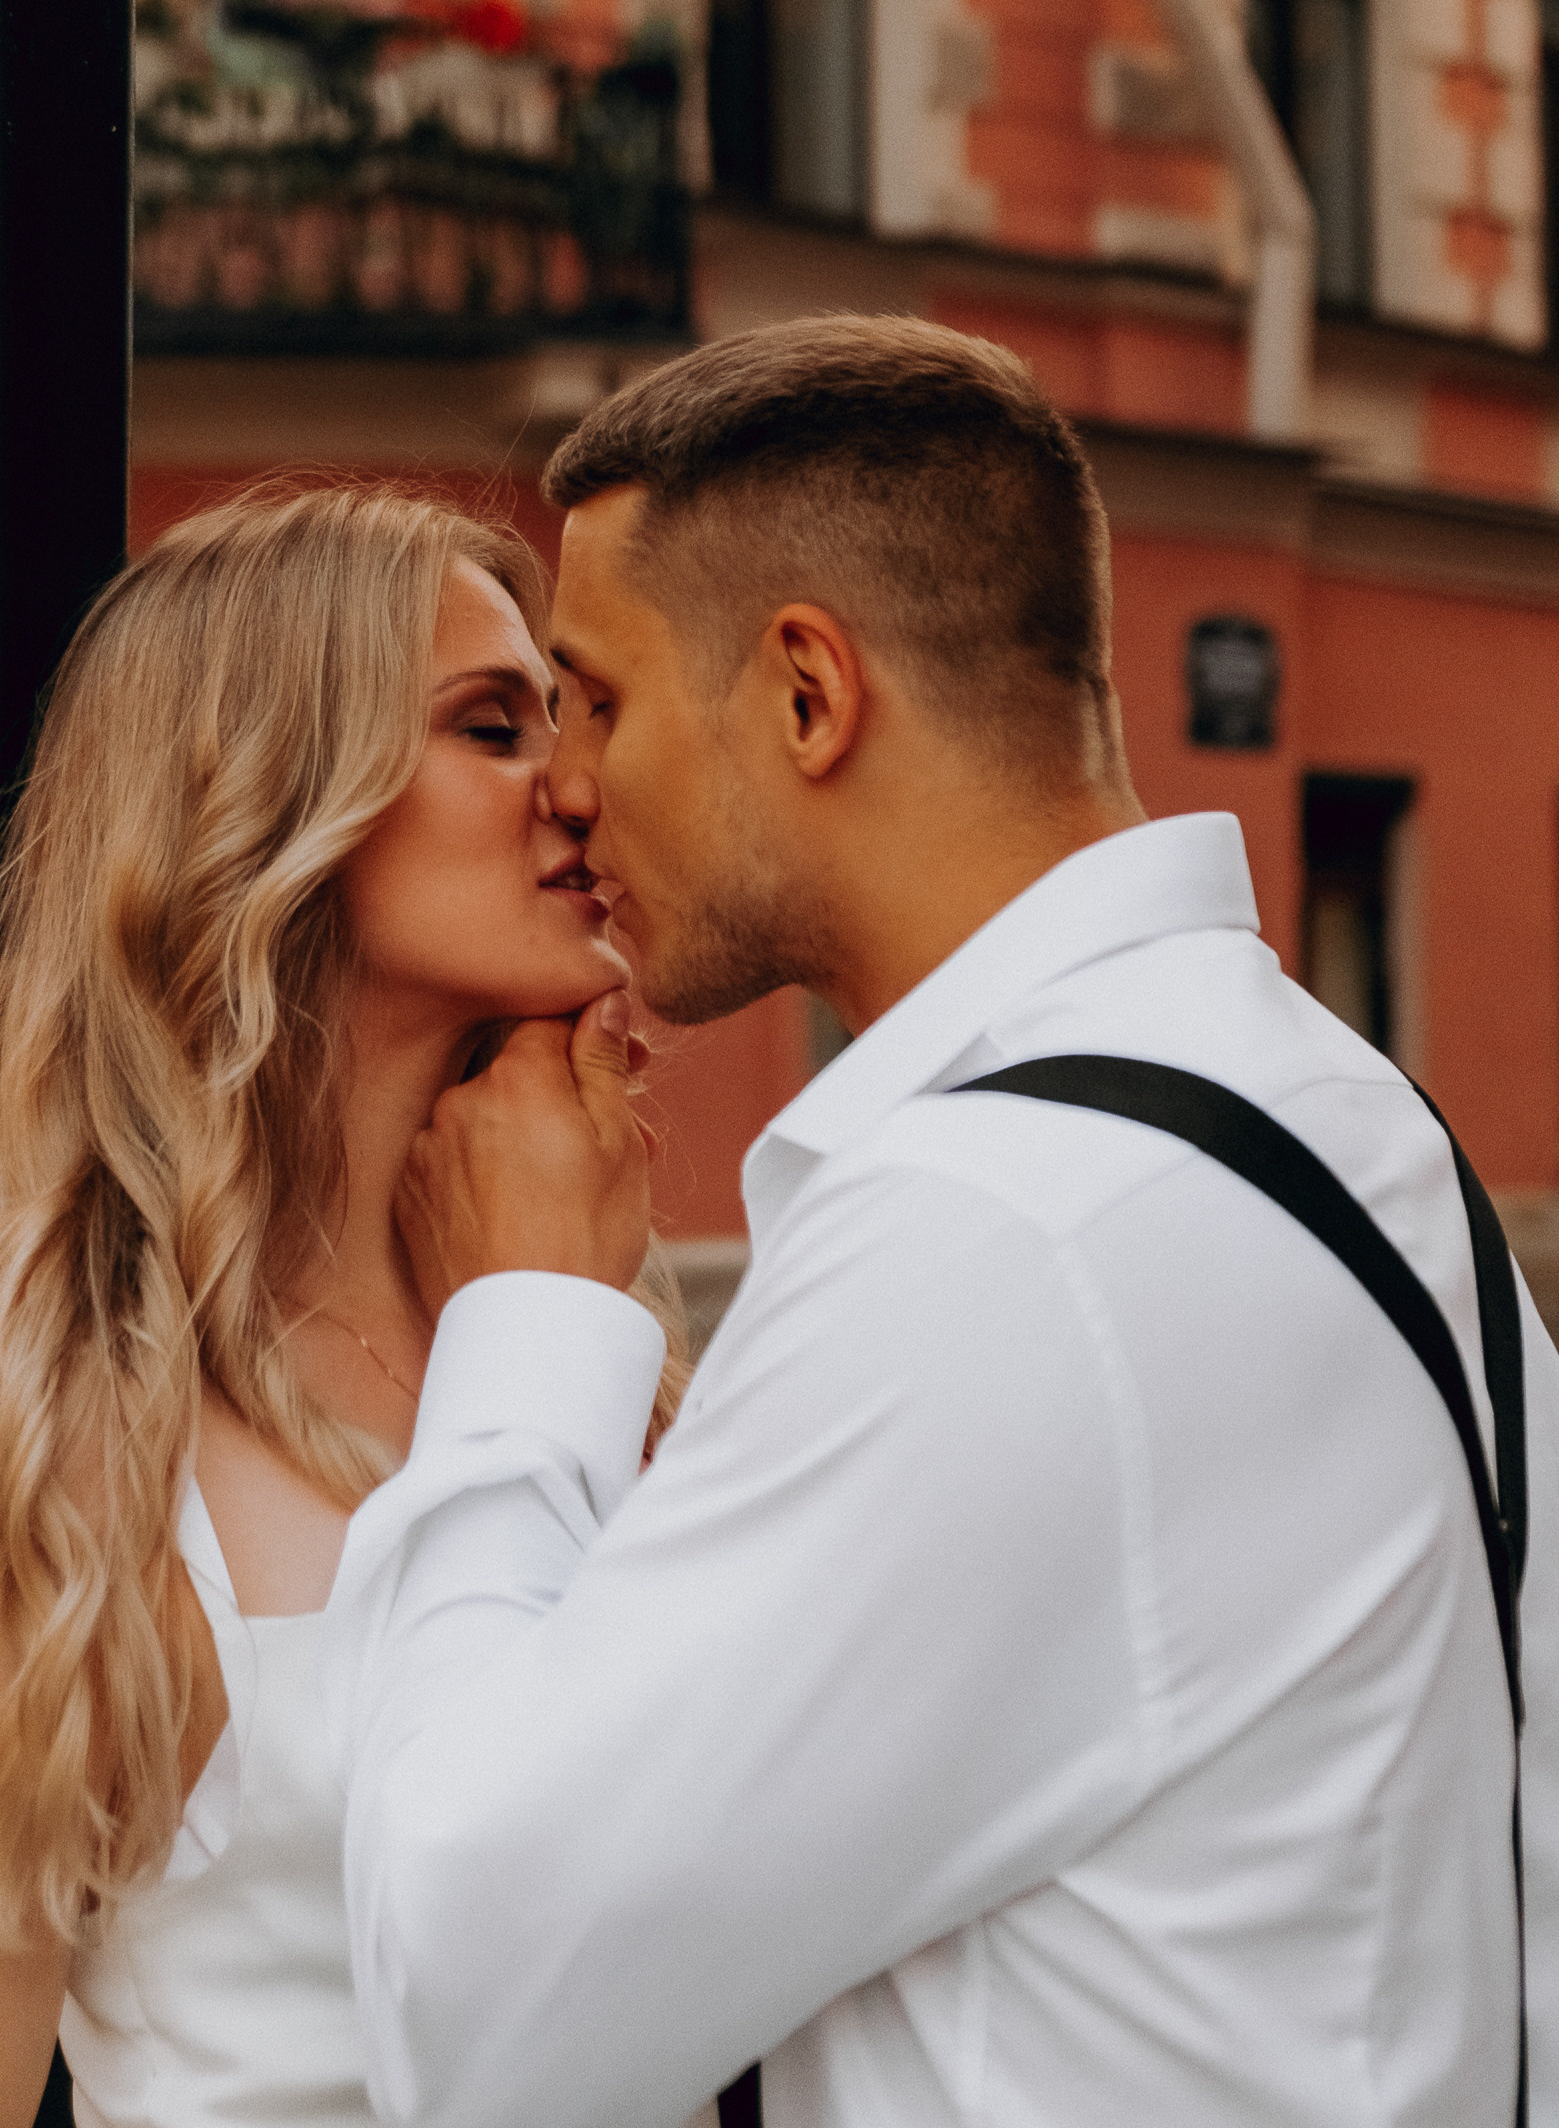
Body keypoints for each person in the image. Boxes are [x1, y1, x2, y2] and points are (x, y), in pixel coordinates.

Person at [327, 312, 1559, 2128]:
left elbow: (470, 2012)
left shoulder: (1009, 1237)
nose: (566, 786)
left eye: (596, 697)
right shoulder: (1362, 1123)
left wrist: (524, 1327)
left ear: (809, 696)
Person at [0, 484, 686, 2128]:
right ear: (271, 809)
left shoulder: (601, 1349)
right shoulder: (30, 1448)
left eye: (565, 718)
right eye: (492, 724)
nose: (578, 786)